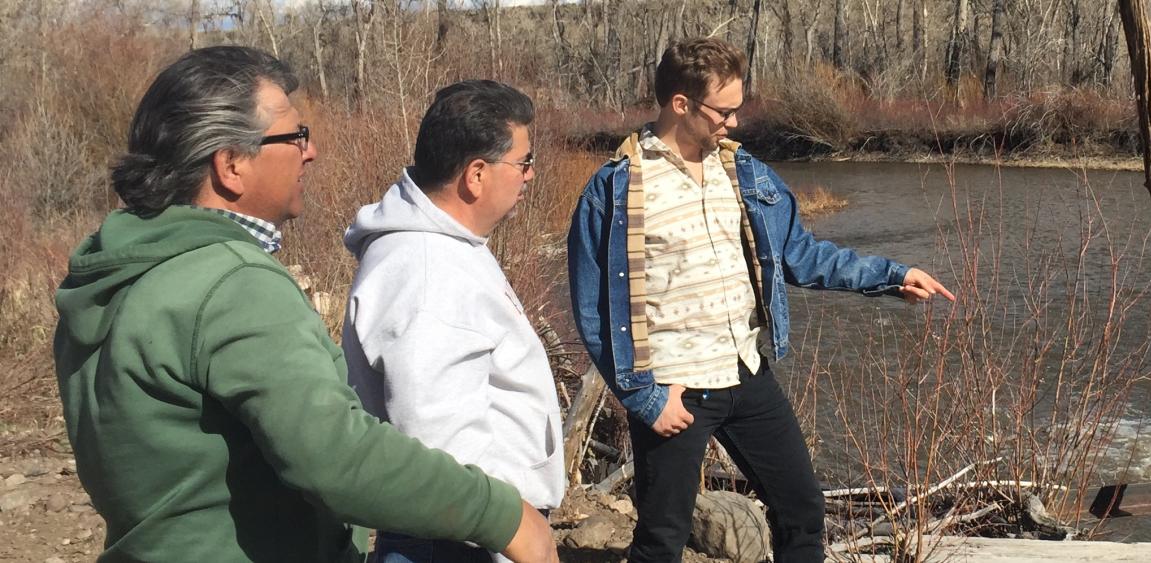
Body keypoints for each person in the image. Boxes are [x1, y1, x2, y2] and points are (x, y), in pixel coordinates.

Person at [52, 46, 556, 563]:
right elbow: (335, 455)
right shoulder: (231, 282)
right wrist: (504, 515)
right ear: (231, 165)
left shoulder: (115, 273)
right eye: (296, 137)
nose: (309, 152)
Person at [566, 37, 954, 562]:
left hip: (747, 371)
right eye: (723, 111)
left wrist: (889, 275)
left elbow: (799, 253)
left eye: (737, 109)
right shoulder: (615, 188)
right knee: (662, 539)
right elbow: (594, 311)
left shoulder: (744, 173)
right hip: (675, 388)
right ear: (680, 104)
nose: (734, 122)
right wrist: (644, 398)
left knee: (802, 511)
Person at [342, 80, 564, 563]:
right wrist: (511, 538)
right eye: (524, 162)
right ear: (476, 175)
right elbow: (440, 443)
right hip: (463, 541)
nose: (531, 175)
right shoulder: (427, 273)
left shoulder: (443, 248)